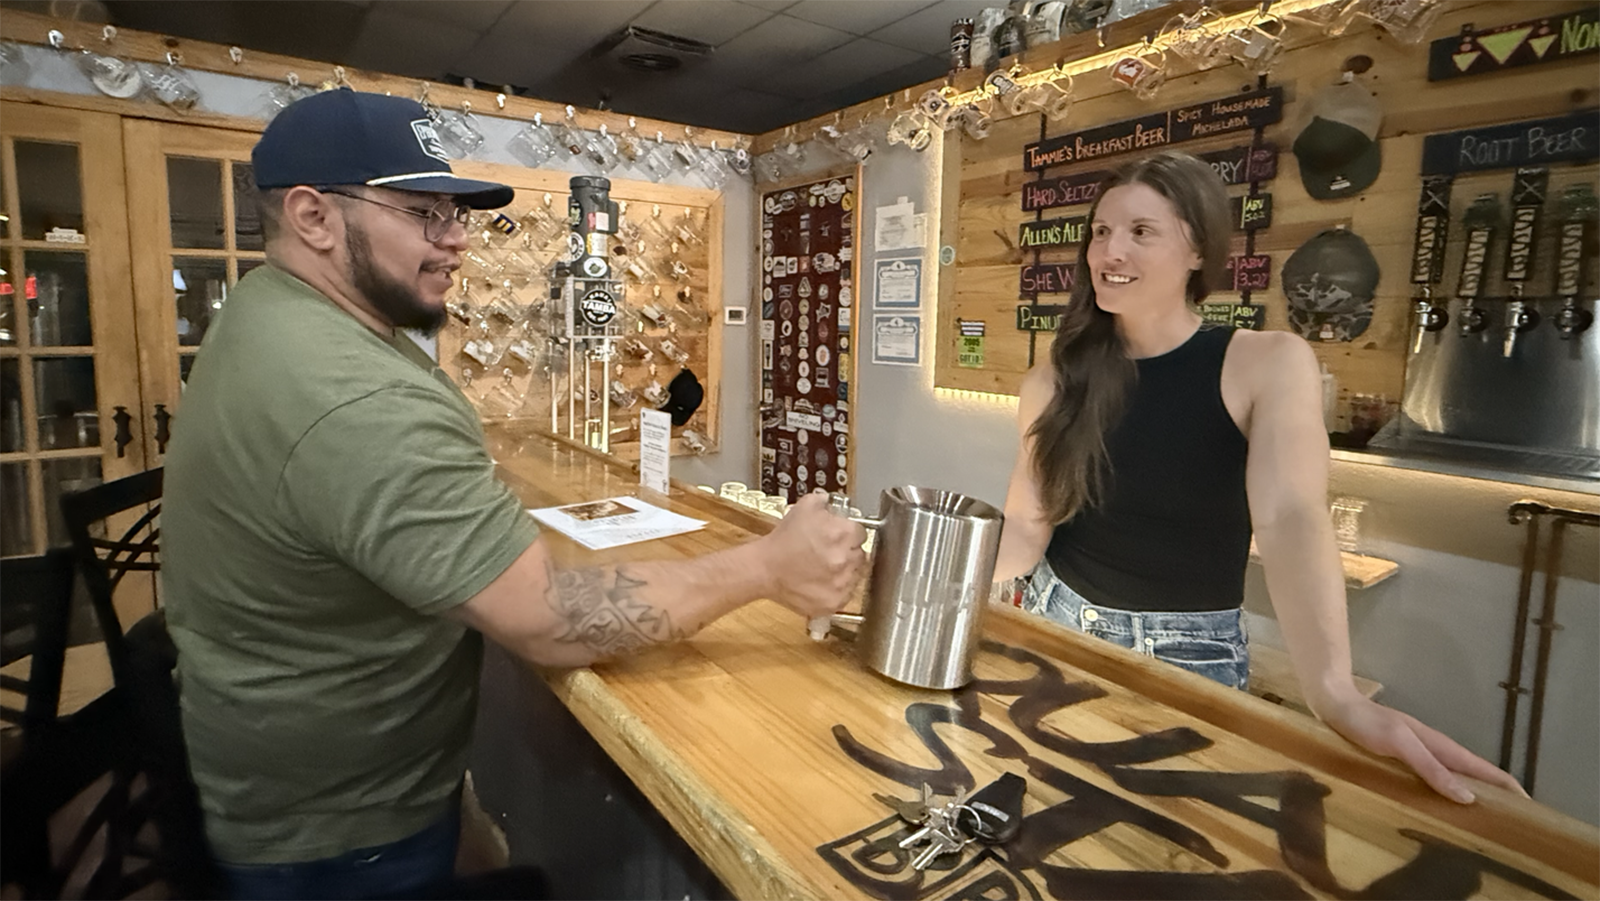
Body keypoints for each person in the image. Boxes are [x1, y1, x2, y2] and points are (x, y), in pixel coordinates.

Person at [161, 89, 867, 900]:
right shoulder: (350, 394)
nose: (457, 239)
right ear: (315, 217)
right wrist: (768, 568)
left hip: (282, 781)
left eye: (455, 212)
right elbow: (546, 618)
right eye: (424, 213)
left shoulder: (273, 311)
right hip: (339, 835)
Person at [992, 150, 1524, 805]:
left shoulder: (1266, 362)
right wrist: (921, 577)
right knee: (1040, 821)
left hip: (1188, 655)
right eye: (1100, 232)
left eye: (1140, 231)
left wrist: (1333, 689)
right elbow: (1023, 527)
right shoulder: (1052, 379)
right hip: (1057, 624)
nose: (1110, 250)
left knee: (1169, 856)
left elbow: (1290, 518)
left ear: (1197, 250)